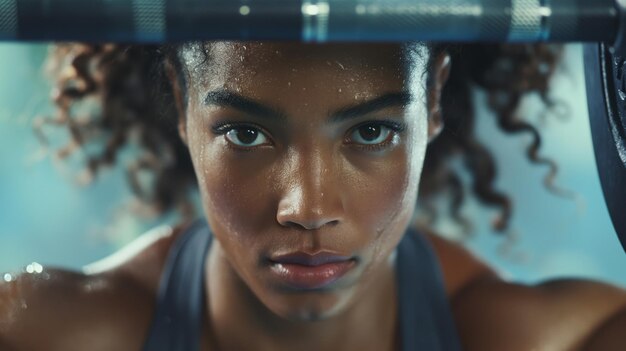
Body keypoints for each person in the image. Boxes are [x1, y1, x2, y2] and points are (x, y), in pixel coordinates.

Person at [1, 41, 625, 351]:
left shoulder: (564, 340)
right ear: (183, 102)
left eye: (371, 131)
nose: (306, 207)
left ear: (431, 101)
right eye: (245, 133)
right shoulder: (43, 333)